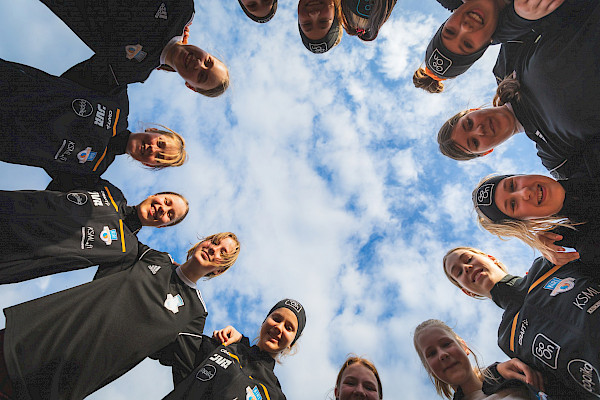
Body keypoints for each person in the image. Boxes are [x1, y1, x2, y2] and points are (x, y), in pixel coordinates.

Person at [0, 232, 240, 400]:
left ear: (219, 270)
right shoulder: (153, 257)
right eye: (213, 241)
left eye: (223, 252)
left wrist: (234, 346)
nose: (213, 248)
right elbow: (111, 229)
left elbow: (192, 374)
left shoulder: (195, 313)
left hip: (60, 380)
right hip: (35, 337)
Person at [437, 0, 600, 180]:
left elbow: (503, 14)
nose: (479, 129)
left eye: (469, 124)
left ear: (473, 111)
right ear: (486, 151)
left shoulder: (504, 69)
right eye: (474, 142)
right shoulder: (556, 157)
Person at [0, 59, 186, 189]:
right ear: (153, 130)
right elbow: (119, 53)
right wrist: (163, 56)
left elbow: (58, 208)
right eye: (160, 143)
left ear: (149, 164)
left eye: (159, 157)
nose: (152, 149)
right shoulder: (117, 100)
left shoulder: (91, 173)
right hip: (10, 84)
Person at [442, 246, 600, 398]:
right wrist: (495, 372)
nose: (467, 267)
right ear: (467, 292)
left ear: (491, 258)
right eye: (459, 272)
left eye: (469, 259)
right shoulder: (508, 338)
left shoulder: (548, 264)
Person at [0, 179, 188, 284]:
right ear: (154, 195)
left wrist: (178, 271)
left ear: (162, 226)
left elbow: (104, 291)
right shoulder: (109, 191)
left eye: (170, 214)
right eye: (166, 202)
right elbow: (62, 175)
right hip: (8, 206)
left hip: (11, 254)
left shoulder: (127, 250)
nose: (163, 209)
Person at [40, 0, 229, 97]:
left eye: (202, 76)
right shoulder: (182, 9)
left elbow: (69, 89)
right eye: (208, 62)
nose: (198, 64)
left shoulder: (131, 72)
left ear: (190, 86)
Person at [163, 298, 306, 399]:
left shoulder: (274, 395)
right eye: (276, 319)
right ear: (264, 321)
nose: (279, 327)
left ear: (291, 343)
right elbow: (167, 338)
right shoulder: (222, 347)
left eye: (289, 328)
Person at [413, 0, 563, 93]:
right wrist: (522, 18)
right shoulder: (533, 12)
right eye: (468, 44)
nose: (465, 27)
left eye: (450, 31)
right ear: (487, 43)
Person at [471, 174, 600, 265]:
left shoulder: (587, 153)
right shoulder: (589, 245)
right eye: (513, 205)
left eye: (512, 185)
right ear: (528, 221)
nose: (525, 192)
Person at [414, 319, 549, 399]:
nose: (442, 354)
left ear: (464, 346)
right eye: (431, 353)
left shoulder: (512, 375)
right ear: (429, 369)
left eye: (446, 344)